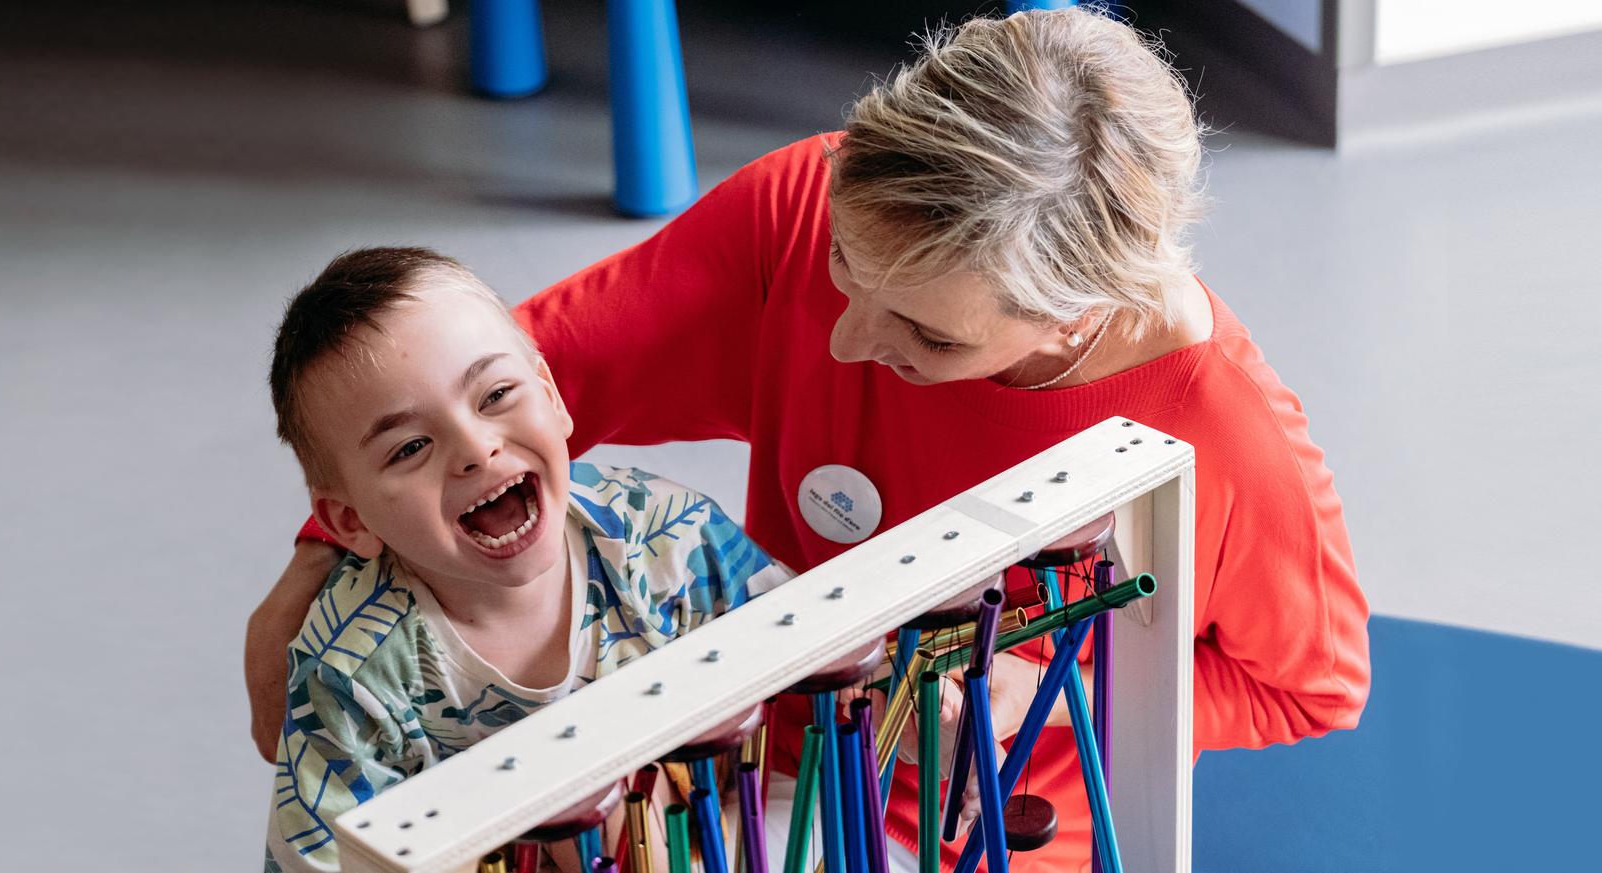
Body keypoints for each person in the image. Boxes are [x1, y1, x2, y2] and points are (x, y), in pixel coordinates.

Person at [247, 9, 1371, 872]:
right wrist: (317, 548)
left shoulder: (1226, 433)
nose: (840, 335)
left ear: (1072, 315)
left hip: (984, 820)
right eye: (846, 265)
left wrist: (1043, 681)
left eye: (923, 334)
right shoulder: (802, 203)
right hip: (747, 789)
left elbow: (1310, 689)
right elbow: (513, 379)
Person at [261, 247, 791, 871]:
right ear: (351, 522)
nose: (476, 448)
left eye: (495, 395)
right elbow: (316, 860)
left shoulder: (665, 534)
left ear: (553, 397)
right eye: (409, 447)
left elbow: (813, 649)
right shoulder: (351, 673)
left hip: (728, 834)